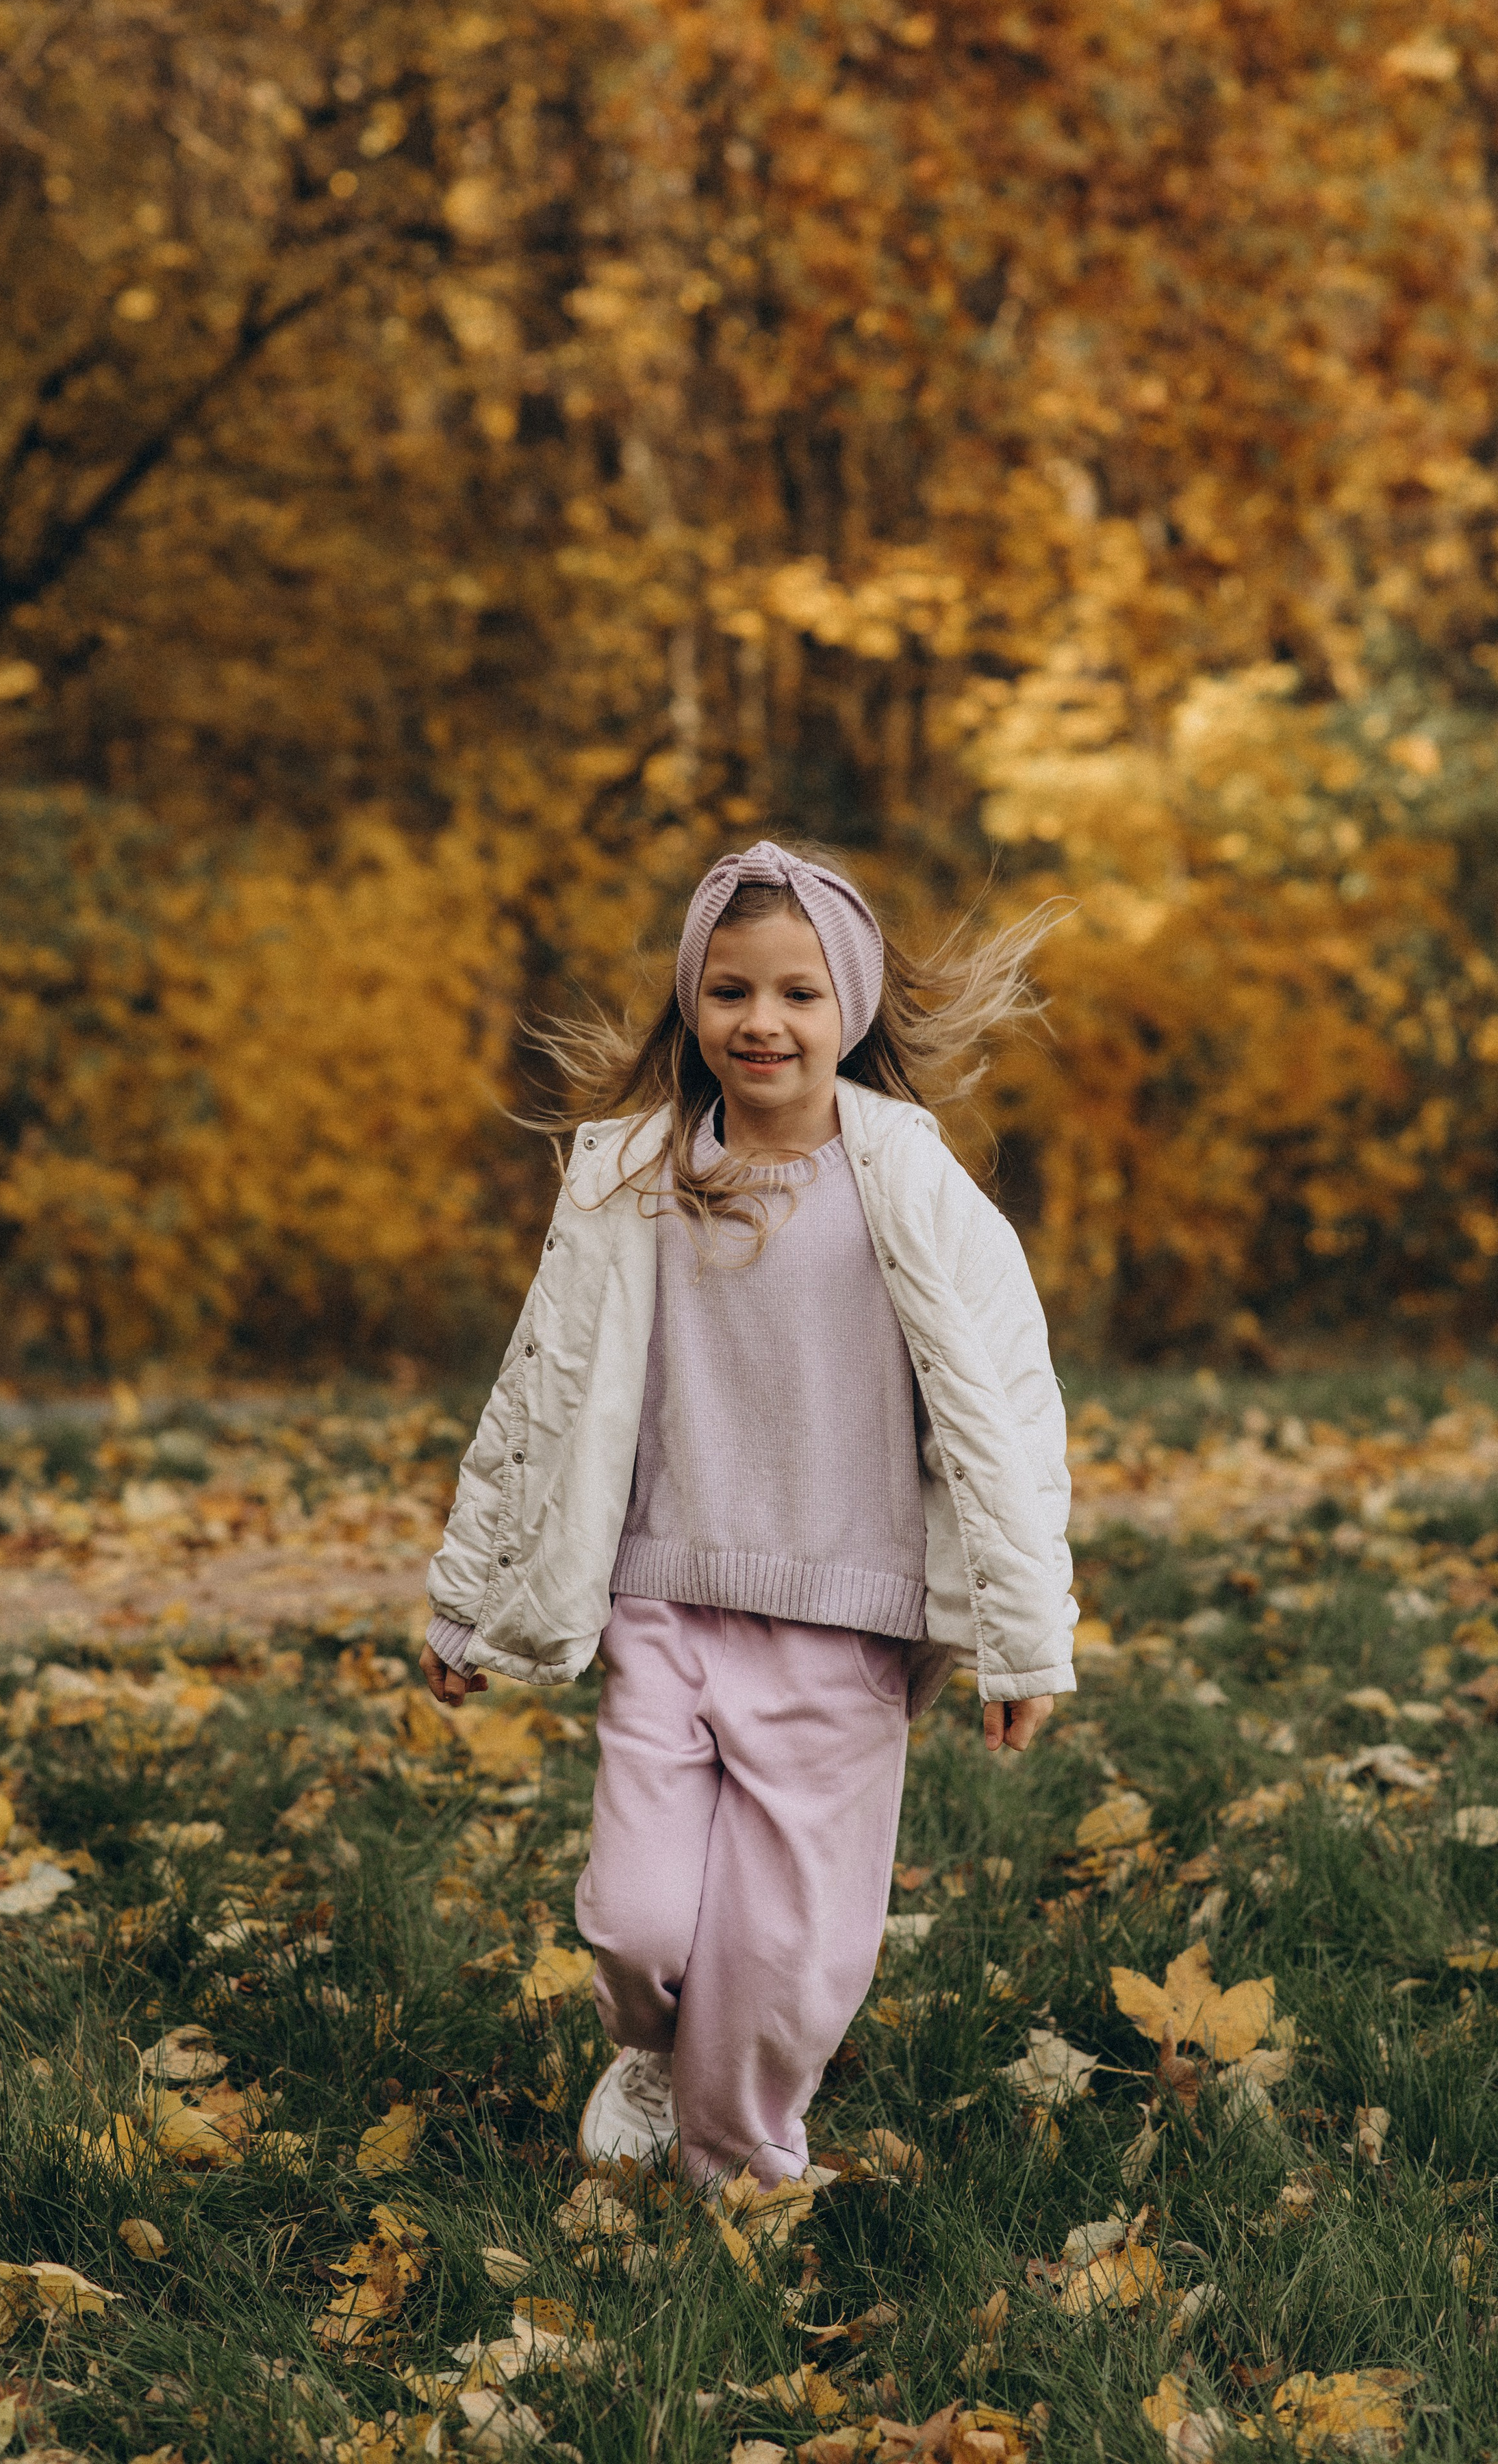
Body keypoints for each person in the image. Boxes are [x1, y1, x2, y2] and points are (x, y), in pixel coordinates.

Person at [417, 840, 1076, 2192]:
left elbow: (1008, 1417)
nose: (760, 1021)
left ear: (851, 1011)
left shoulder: (914, 1186)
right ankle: (654, 2052)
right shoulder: (624, 1181)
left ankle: (737, 2194)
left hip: (845, 1628)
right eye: (728, 990)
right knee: (636, 1923)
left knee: (779, 1966)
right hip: (663, 1604)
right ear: (689, 1001)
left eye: (797, 993)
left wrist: (1024, 1643)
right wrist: (466, 1600)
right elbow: (535, 1397)